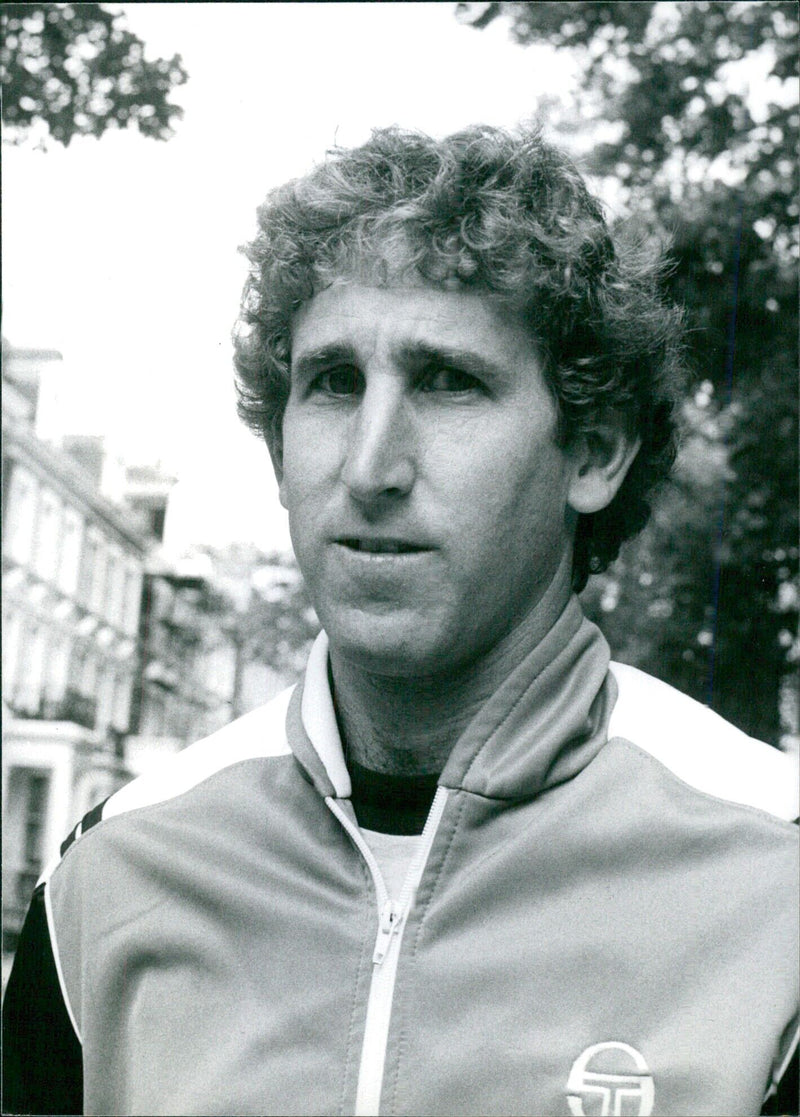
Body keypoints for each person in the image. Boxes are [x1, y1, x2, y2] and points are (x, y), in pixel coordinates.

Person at [3, 125, 797, 1117]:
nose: (370, 465)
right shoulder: (111, 875)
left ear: (592, 453)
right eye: (332, 382)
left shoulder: (773, 878)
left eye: (447, 381)